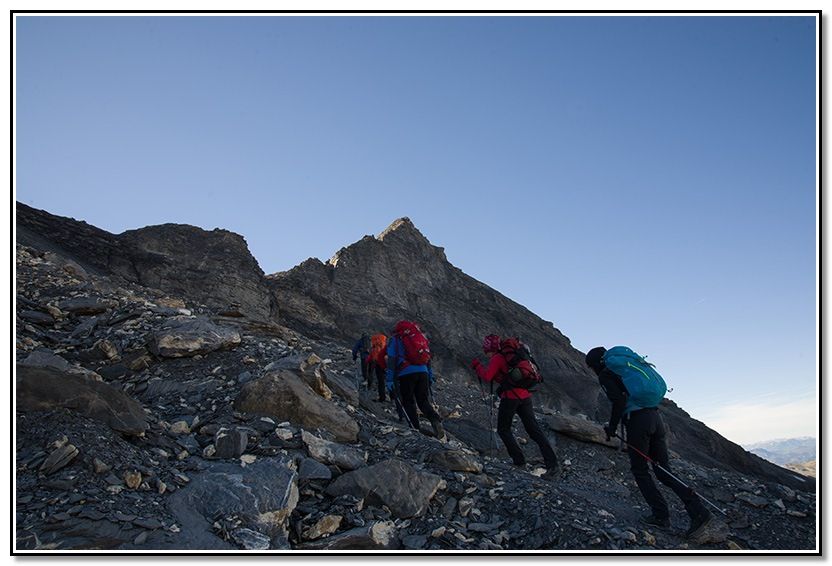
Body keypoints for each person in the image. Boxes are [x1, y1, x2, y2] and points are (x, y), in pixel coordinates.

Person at [585, 346, 713, 538]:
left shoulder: (606, 374)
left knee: (640, 470)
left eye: (591, 367)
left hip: (637, 422)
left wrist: (611, 427)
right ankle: (698, 511)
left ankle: (660, 516)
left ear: (596, 364)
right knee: (663, 470)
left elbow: (619, 402)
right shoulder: (625, 368)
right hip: (655, 417)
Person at [471, 334, 560, 477]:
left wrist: (477, 366)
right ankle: (553, 465)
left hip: (510, 397)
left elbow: (487, 376)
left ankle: (519, 461)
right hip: (525, 396)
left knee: (503, 429)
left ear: (489, 349)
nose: (486, 353)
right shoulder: (513, 356)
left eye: (486, 350)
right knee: (534, 430)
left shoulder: (497, 358)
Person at [386, 320, 445, 441]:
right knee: (423, 401)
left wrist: (390, 379)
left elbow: (391, 360)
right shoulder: (420, 337)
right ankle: (435, 420)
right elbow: (427, 358)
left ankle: (415, 427)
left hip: (406, 373)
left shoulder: (396, 339)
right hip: (423, 372)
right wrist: (429, 375)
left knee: (408, 401)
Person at [367, 333, 388, 402]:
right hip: (385, 364)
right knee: (389, 380)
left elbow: (370, 357)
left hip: (377, 364)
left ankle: (382, 397)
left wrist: (367, 361)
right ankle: (393, 396)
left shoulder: (374, 348)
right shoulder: (384, 346)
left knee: (380, 381)